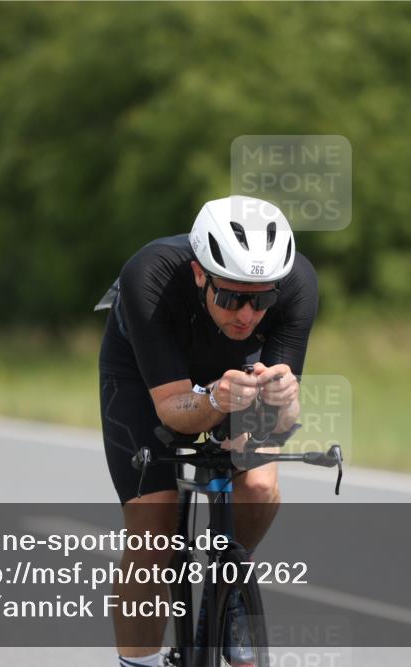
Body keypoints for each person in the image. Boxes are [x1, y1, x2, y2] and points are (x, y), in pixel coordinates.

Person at [97, 195, 318, 666]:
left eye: (261, 300)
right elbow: (173, 411)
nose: (246, 315)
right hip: (145, 376)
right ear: (201, 274)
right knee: (153, 533)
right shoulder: (150, 274)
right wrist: (215, 400)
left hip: (236, 372)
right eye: (231, 297)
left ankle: (232, 589)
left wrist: (284, 401)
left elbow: (279, 420)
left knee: (258, 487)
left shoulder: (298, 282)